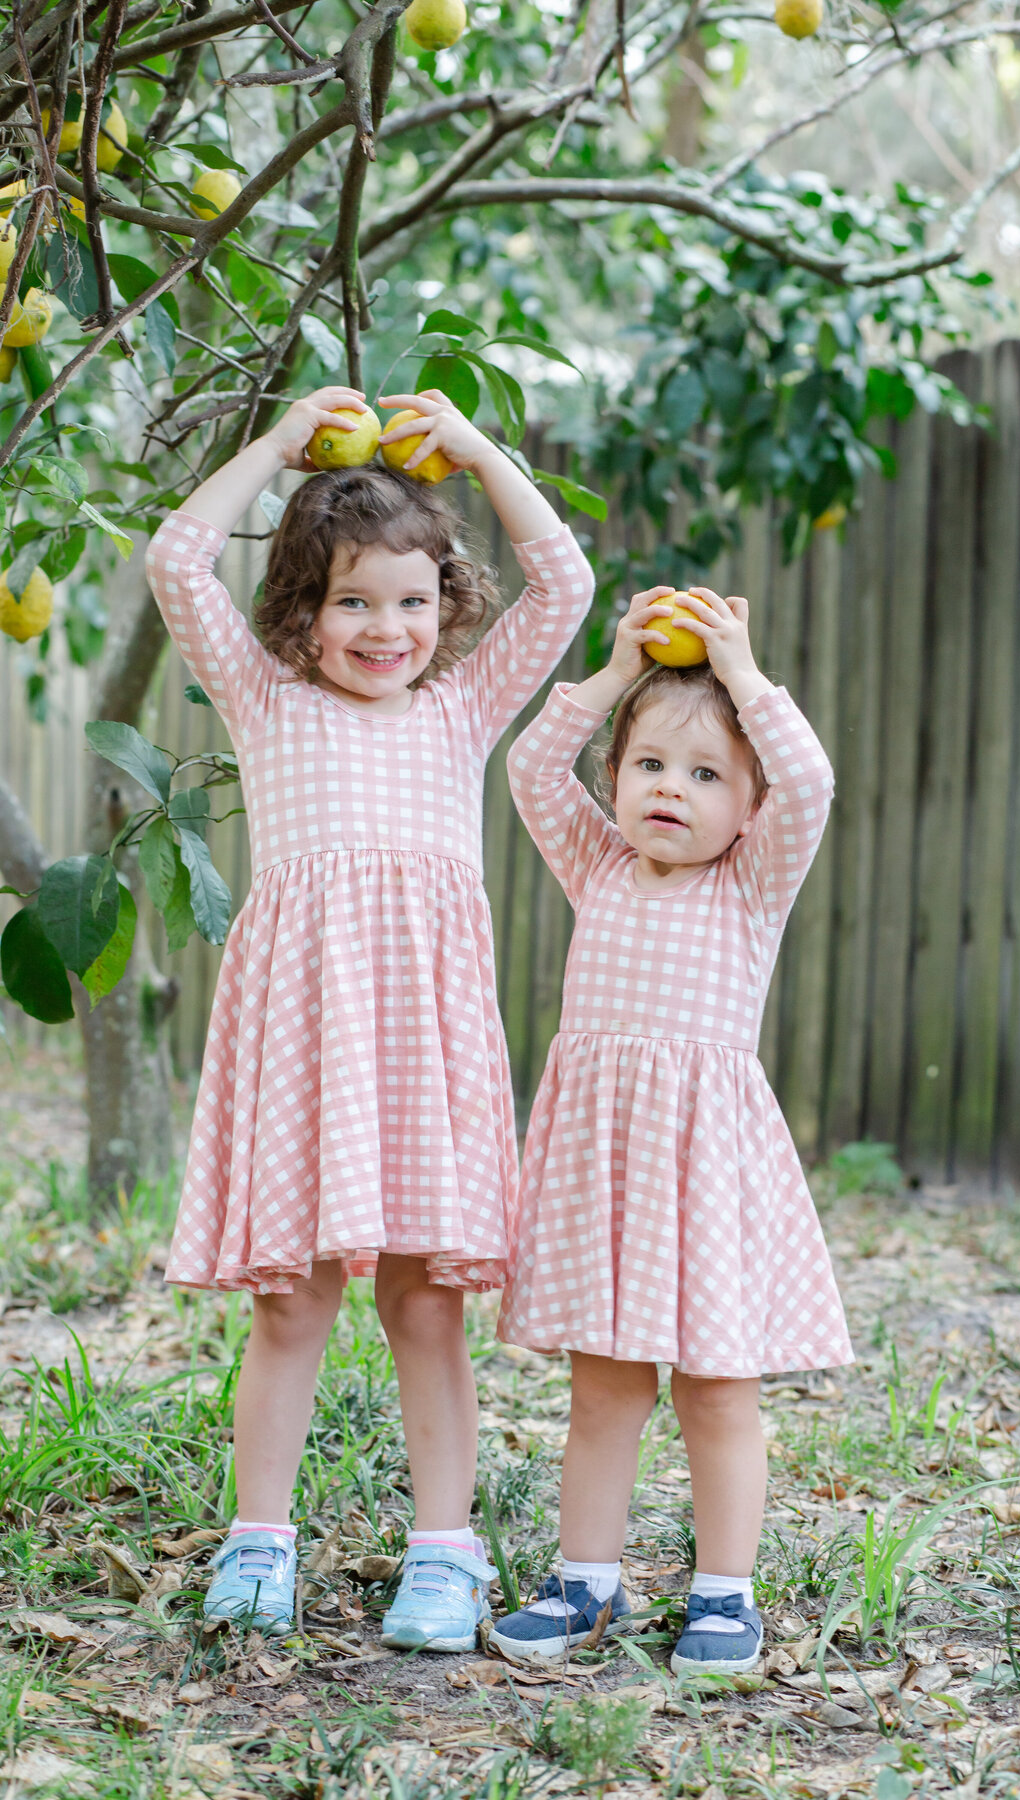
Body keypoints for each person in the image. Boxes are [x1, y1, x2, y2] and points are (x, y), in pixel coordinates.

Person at [144, 385, 594, 1647]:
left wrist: (480, 451)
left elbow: (563, 585)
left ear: (446, 604)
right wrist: (278, 445)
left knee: (424, 1304)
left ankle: (445, 1555)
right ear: (301, 610)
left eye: (411, 598)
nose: (385, 627)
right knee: (291, 1304)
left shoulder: (458, 711)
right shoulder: (264, 701)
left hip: (424, 1046)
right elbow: (177, 559)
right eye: (352, 599)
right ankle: (259, 1542)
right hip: (303, 1042)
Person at [492, 586, 853, 1675]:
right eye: (649, 765)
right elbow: (525, 769)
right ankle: (583, 1583)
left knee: (715, 1387)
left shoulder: (750, 888)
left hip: (702, 1174)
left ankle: (724, 1596)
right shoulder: (596, 865)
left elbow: (816, 779)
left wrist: (743, 673)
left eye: (706, 776)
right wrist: (611, 676)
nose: (671, 790)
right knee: (603, 1388)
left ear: (749, 810)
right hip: (605, 1169)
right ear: (616, 784)